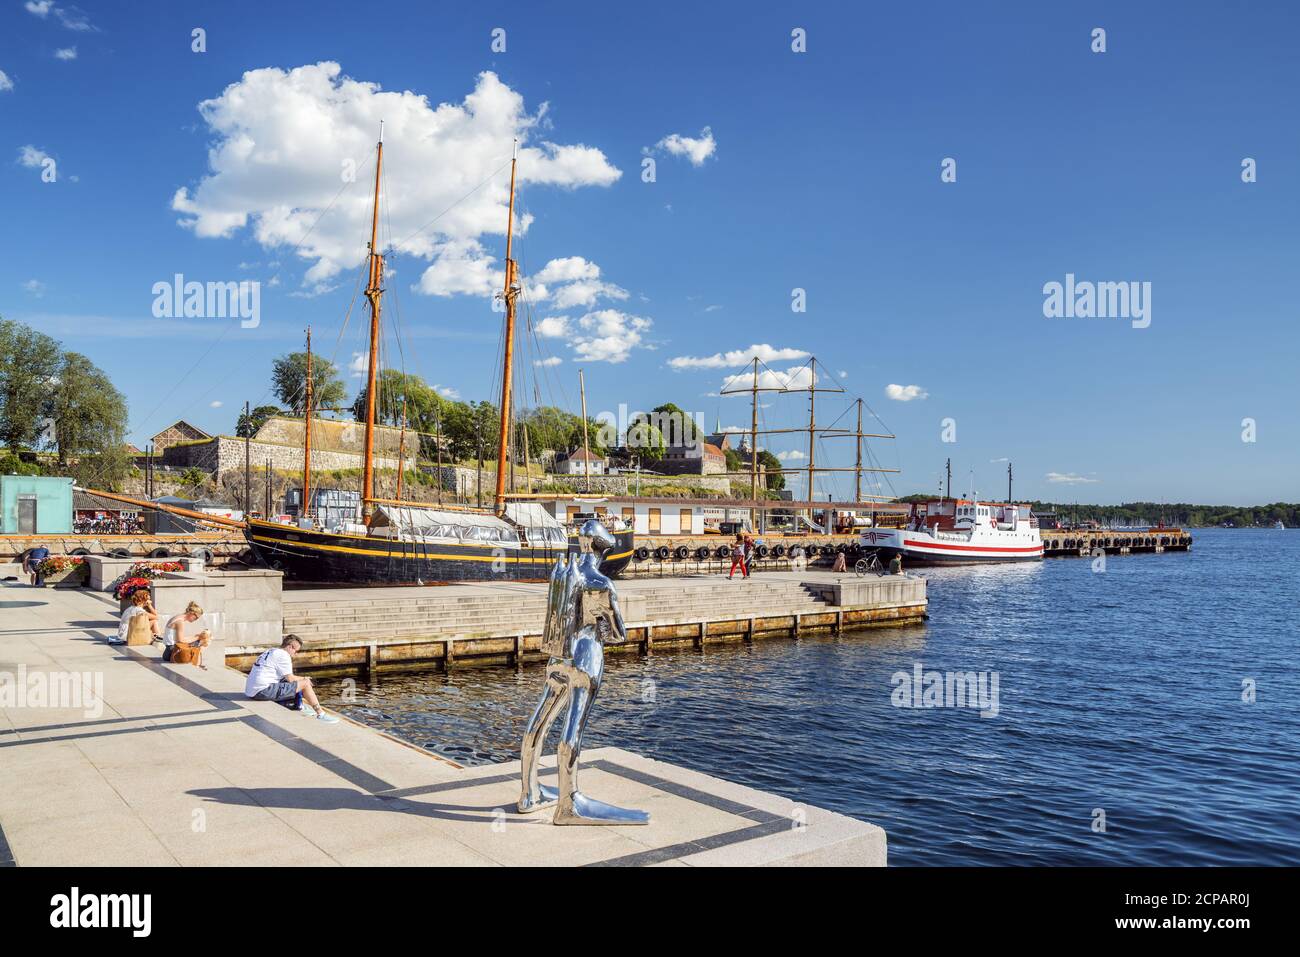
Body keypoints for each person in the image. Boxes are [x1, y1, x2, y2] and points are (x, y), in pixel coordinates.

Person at [243, 634, 337, 722]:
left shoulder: (271, 651)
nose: (295, 654)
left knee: (293, 681)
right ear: (290, 647)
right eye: (296, 651)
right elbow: (291, 679)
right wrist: (305, 679)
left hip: (251, 690)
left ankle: (298, 705)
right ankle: (321, 713)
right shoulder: (284, 655)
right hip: (261, 691)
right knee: (305, 683)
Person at [162, 601, 212, 670]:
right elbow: (181, 640)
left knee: (197, 639)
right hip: (174, 651)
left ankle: (197, 663)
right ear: (191, 613)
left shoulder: (178, 617)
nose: (196, 620)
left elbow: (179, 639)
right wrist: (198, 637)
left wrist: (195, 637)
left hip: (168, 650)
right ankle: (197, 664)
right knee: (202, 642)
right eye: (196, 617)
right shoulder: (180, 622)